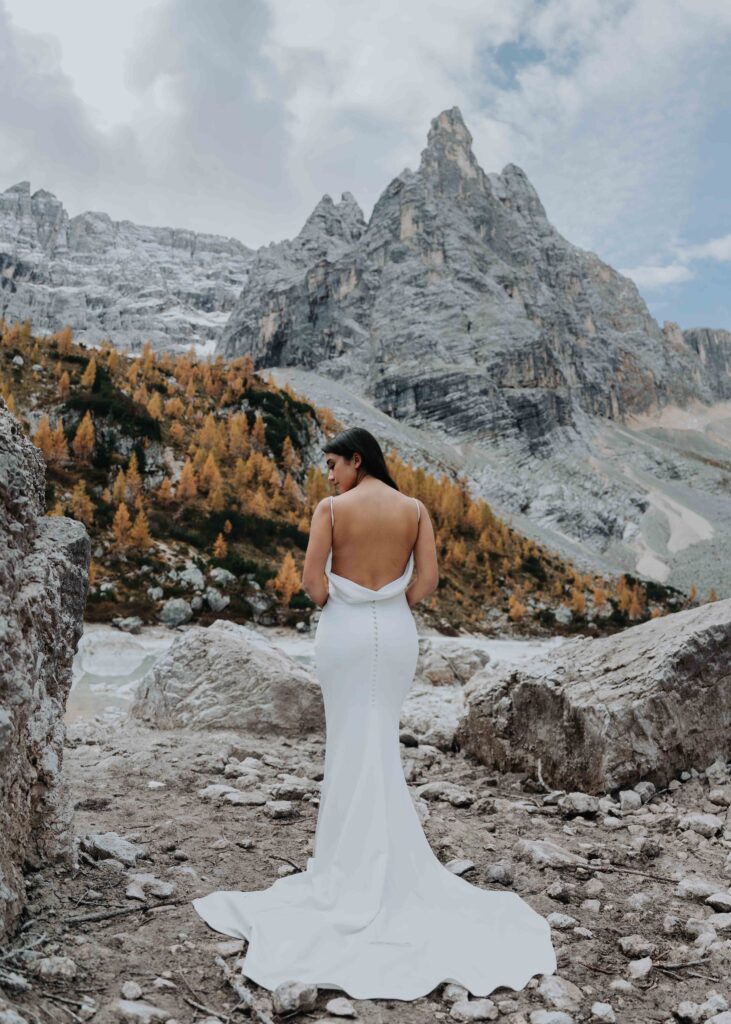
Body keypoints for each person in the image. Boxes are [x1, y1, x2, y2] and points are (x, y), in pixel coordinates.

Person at [191, 426, 557, 1000]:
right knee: (380, 738)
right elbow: (428, 580)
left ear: (358, 460)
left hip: (344, 633)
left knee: (348, 743)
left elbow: (314, 586)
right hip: (396, 631)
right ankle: (386, 858)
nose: (329, 475)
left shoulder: (332, 509)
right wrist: (389, 604)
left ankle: (345, 865)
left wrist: (349, 603)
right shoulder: (414, 509)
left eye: (334, 464)